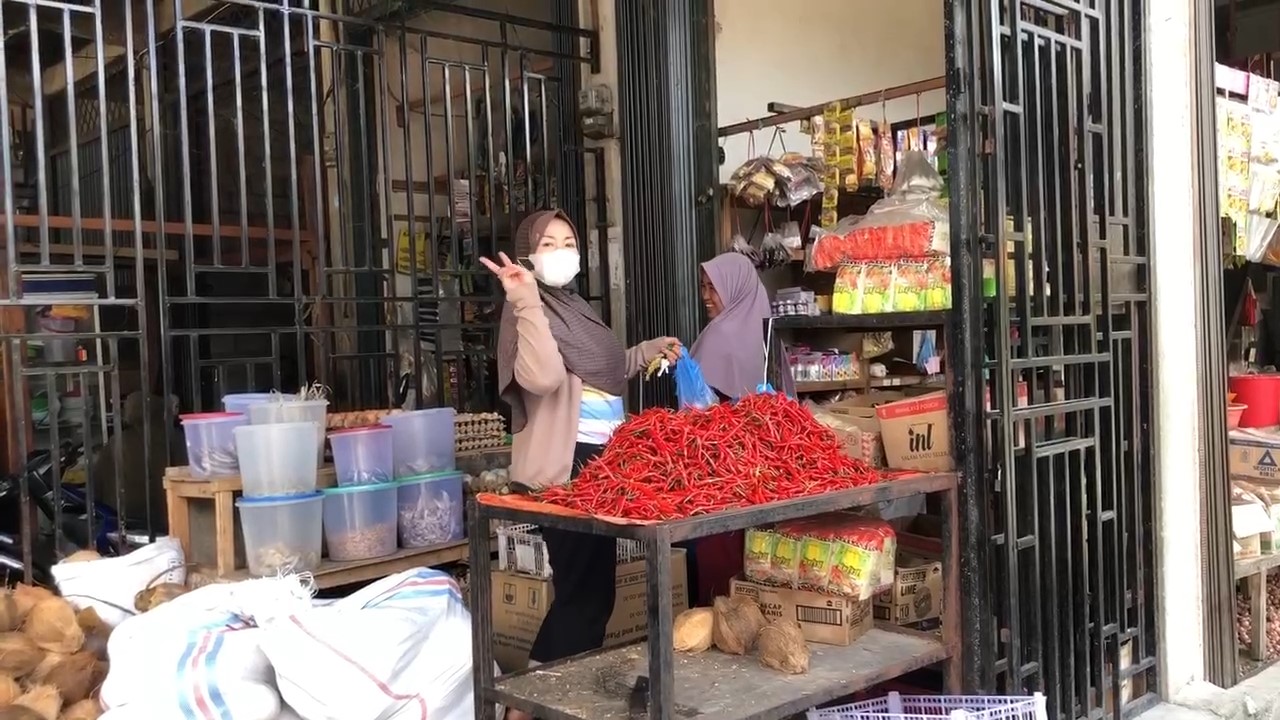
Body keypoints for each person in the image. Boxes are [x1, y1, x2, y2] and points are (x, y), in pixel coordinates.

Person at [482, 210, 678, 703]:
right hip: (565, 471)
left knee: (593, 595)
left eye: (568, 240)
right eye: (549, 243)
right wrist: (524, 298)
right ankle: (531, 705)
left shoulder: (575, 308)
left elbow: (602, 371)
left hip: (601, 466)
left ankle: (554, 701)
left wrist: (646, 351)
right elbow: (545, 378)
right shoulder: (528, 310)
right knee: (584, 598)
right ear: (528, 253)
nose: (563, 250)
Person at [685, 252, 771, 605]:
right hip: (761, 474)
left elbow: (695, 416)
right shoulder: (765, 328)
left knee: (716, 564)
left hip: (717, 476)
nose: (706, 296)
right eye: (704, 287)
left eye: (714, 288)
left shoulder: (716, 336)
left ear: (734, 289)